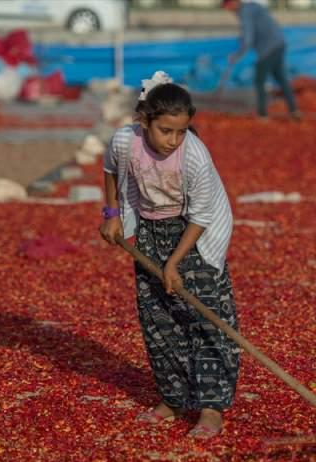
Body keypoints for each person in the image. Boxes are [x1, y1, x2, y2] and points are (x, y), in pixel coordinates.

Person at [98, 71, 240, 439]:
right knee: (158, 319)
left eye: (181, 131)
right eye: (166, 131)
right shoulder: (124, 142)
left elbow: (202, 216)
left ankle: (211, 408)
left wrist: (174, 263)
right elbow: (111, 172)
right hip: (148, 230)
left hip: (193, 234)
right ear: (144, 120)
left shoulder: (193, 155)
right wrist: (112, 215)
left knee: (207, 318)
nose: (173, 140)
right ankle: (174, 399)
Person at [222, 0, 299, 120]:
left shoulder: (245, 12)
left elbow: (248, 38)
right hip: (278, 43)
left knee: (260, 80)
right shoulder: (251, 7)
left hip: (268, 48)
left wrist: (237, 55)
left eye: (227, 6)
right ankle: (294, 110)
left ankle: (262, 114)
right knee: (281, 78)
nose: (228, 9)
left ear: (233, 3)